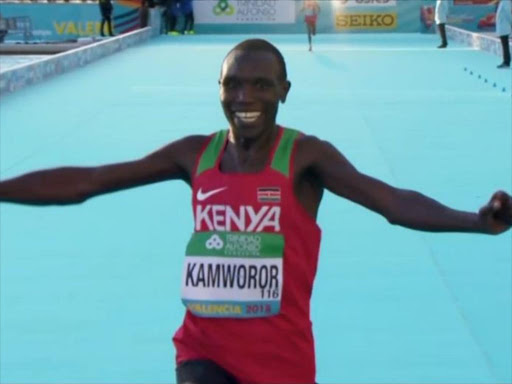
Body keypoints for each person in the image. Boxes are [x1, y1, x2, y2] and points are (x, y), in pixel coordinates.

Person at [0, 39, 511, 384]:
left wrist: (474, 221)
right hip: (203, 350)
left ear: (284, 92)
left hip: (281, 359)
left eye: (261, 85)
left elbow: (391, 202)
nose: (245, 97)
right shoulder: (193, 154)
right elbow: (91, 181)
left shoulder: (307, 157)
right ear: (219, 90)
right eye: (233, 85)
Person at [495, 0, 511, 68]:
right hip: (502, 26)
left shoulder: (506, 1)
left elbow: (508, 14)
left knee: (505, 45)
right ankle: (506, 61)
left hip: (504, 27)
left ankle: (506, 62)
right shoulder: (502, 2)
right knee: (504, 45)